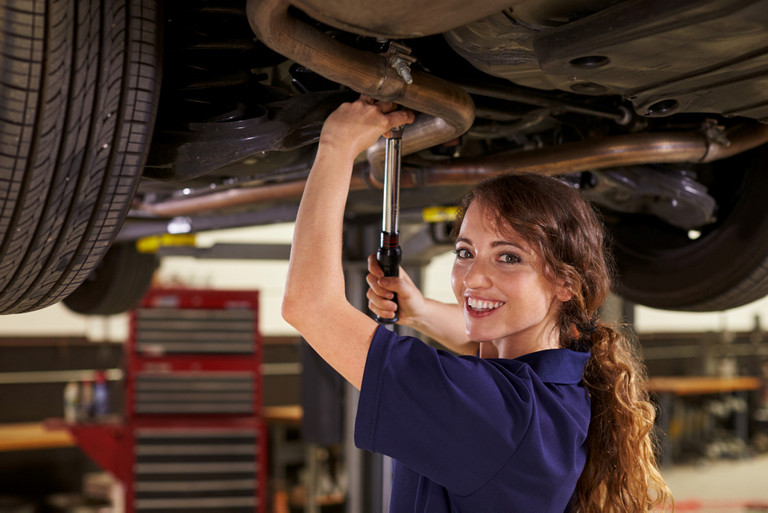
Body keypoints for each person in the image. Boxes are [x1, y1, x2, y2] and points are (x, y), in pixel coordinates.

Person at [282, 96, 672, 512]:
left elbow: (308, 305)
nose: (472, 278)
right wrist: (418, 311)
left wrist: (336, 146)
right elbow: (481, 345)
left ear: (564, 282)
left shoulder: (495, 411)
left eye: (508, 257)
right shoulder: (560, 380)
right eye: (466, 252)